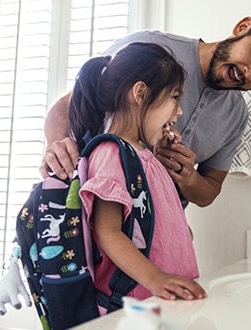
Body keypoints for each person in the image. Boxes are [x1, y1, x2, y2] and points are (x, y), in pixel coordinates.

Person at [42, 13, 251, 208]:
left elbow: (210, 190)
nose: (249, 73)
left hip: (157, 232)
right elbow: (67, 107)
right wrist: (58, 145)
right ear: (242, 28)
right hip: (91, 209)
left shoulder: (237, 116)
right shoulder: (152, 47)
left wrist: (188, 177)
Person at [70, 42, 206, 314]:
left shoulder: (143, 156)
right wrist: (156, 278)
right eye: (175, 98)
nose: (179, 112)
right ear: (141, 93)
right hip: (133, 307)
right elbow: (108, 231)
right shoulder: (110, 152)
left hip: (161, 301)